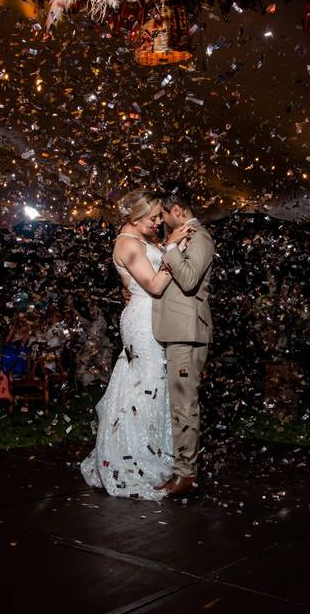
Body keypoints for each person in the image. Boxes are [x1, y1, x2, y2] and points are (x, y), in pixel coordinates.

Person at [80, 189, 194, 501]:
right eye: (154, 217)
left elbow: (133, 281)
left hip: (151, 315)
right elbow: (155, 285)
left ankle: (153, 452)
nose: (160, 222)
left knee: (151, 385)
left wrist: (176, 245)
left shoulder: (144, 240)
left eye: (160, 216)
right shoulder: (127, 242)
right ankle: (132, 458)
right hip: (144, 321)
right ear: (135, 216)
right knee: (146, 384)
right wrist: (172, 249)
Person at [152, 185, 215, 497]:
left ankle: (186, 474)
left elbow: (189, 280)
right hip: (175, 330)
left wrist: (171, 249)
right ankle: (181, 468)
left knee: (184, 403)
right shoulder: (181, 237)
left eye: (163, 214)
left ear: (176, 210)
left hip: (188, 333)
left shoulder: (200, 237)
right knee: (178, 402)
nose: (161, 221)